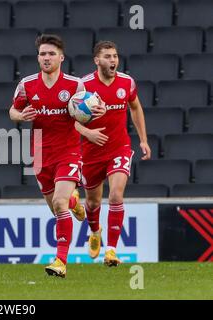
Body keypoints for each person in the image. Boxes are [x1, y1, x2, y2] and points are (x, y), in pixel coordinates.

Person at [9, 34, 106, 278]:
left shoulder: (75, 86)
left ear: (61, 57)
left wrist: (99, 110)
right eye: (43, 54)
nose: (46, 58)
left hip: (69, 152)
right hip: (40, 155)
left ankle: (60, 261)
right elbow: (13, 110)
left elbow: (95, 106)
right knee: (58, 208)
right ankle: (75, 203)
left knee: (58, 203)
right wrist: (20, 117)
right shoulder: (27, 85)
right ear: (38, 57)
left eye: (51, 53)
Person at [75, 41, 151, 266]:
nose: (113, 60)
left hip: (119, 148)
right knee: (92, 201)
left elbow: (135, 107)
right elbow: (69, 121)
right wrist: (87, 132)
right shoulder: (83, 85)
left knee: (116, 195)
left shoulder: (127, 82)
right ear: (97, 61)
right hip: (91, 152)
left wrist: (143, 140)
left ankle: (111, 251)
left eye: (115, 56)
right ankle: (95, 231)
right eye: (108, 56)